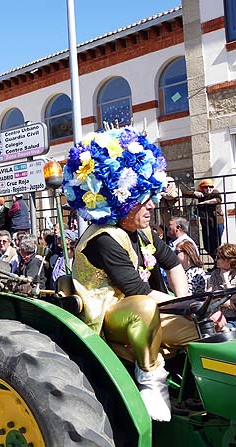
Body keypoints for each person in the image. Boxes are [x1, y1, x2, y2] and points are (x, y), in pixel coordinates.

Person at [64, 127, 219, 422]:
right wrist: (190, 307)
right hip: (106, 315)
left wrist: (191, 307)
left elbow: (173, 264)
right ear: (121, 202)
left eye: (151, 196)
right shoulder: (104, 239)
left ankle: (195, 395)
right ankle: (151, 381)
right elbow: (139, 292)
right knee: (147, 307)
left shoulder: (144, 231)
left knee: (206, 330)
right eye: (143, 198)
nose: (152, 204)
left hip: (143, 310)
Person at [190, 179, 224, 259]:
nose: (208, 189)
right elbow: (185, 193)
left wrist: (205, 202)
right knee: (207, 246)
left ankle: (218, 262)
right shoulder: (201, 195)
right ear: (202, 188)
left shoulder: (215, 192)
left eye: (210, 186)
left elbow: (217, 200)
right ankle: (216, 261)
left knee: (216, 244)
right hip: (205, 223)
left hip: (217, 222)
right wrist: (194, 193)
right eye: (206, 187)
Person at [206, 243, 236, 325]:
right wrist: (222, 301)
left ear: (228, 259)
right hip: (217, 317)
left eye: (218, 257)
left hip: (233, 318)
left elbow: (234, 297)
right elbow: (209, 295)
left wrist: (225, 278)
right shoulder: (215, 274)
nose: (216, 260)